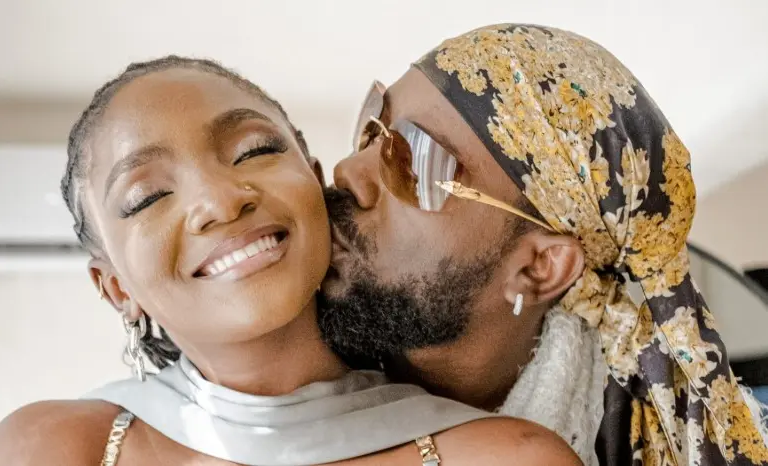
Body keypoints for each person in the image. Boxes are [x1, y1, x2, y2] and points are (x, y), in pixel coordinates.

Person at [0, 56, 582, 466]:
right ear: (115, 288)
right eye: (147, 197)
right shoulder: (49, 448)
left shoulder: (506, 457)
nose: (221, 201)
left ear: (315, 179)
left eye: (254, 151)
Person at [319, 24, 768, 465]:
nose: (348, 170)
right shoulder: (292, 349)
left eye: (415, 160)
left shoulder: (622, 447)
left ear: (541, 267)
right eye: (371, 132)